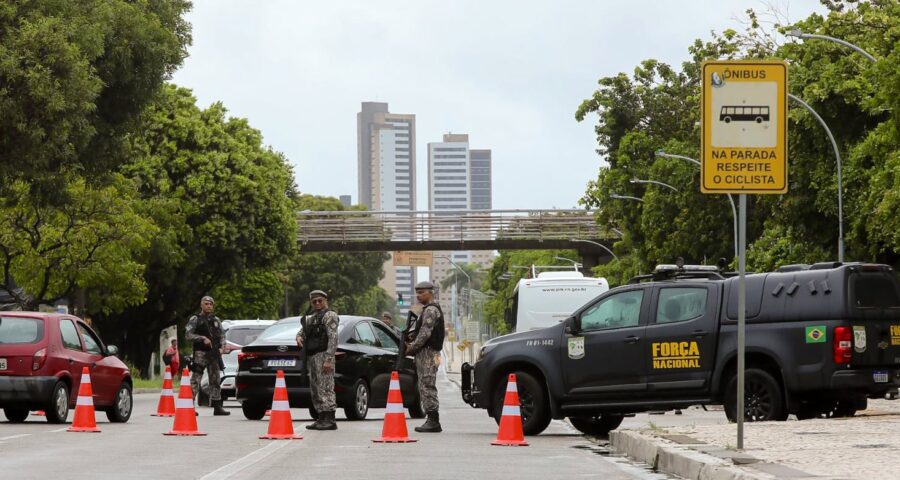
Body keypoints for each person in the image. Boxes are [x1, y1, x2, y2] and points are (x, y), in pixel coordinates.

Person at [295, 290, 339, 430]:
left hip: (323, 356)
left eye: (320, 300)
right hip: (312, 357)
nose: (317, 303)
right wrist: (298, 337)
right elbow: (301, 332)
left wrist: (328, 359)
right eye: (314, 301)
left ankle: (330, 419)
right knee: (316, 389)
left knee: (326, 387)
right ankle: (321, 417)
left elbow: (333, 338)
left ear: (326, 300)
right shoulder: (312, 318)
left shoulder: (330, 316)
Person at [406, 281, 445, 433]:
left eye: (422, 292)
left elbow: (425, 333)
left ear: (430, 292)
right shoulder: (427, 310)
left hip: (429, 353)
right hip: (429, 353)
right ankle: (431, 418)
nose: (418, 295)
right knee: (425, 384)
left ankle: (433, 420)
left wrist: (412, 348)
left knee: (427, 385)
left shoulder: (431, 310)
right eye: (417, 292)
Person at [185, 296, 230, 416]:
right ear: (201, 305)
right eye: (206, 304)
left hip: (214, 353)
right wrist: (202, 338)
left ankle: (217, 406)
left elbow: (222, 336)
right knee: (196, 379)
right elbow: (188, 335)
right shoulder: (196, 319)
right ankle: (189, 406)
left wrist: (222, 347)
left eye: (211, 304)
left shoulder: (216, 320)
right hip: (200, 353)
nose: (209, 306)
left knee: (215, 379)